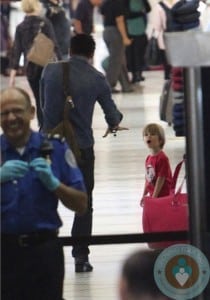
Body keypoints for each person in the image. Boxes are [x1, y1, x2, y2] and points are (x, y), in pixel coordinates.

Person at [40, 33, 127, 272]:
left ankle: (44, 252)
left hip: (49, 145)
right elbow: (112, 115)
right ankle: (81, 257)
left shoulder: (50, 71)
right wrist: (115, 122)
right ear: (92, 54)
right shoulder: (97, 78)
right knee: (84, 203)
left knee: (44, 197)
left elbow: (42, 108)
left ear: (69, 50)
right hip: (81, 149)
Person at [0, 86, 87, 300]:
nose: (11, 118)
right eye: (4, 113)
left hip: (45, 252)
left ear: (31, 112)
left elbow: (81, 204)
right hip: (3, 252)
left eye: (17, 111)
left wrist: (54, 184)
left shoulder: (54, 148)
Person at [9, 0, 62, 128]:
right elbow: (54, 45)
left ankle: (42, 128)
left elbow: (17, 52)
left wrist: (12, 77)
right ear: (36, 6)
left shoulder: (20, 27)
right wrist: (62, 65)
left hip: (31, 69)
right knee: (48, 99)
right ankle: (50, 127)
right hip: (47, 67)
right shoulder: (45, 23)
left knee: (39, 100)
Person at [100, 0, 134, 93]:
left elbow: (103, 16)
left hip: (107, 31)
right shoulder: (118, 3)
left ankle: (126, 85)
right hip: (116, 33)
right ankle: (108, 86)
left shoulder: (105, 2)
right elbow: (120, 20)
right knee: (115, 61)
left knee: (120, 60)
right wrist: (125, 37)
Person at [140, 123, 172, 207]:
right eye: (146, 135)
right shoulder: (148, 159)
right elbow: (148, 180)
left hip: (163, 197)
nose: (148, 136)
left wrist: (154, 197)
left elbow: (160, 179)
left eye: (153, 134)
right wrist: (144, 195)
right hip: (153, 195)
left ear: (160, 140)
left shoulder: (162, 158)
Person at [124, 0, 151, 83]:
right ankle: (135, 75)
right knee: (132, 55)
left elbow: (148, 9)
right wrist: (140, 13)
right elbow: (127, 14)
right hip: (130, 31)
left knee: (140, 54)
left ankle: (139, 74)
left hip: (141, 30)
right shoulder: (126, 2)